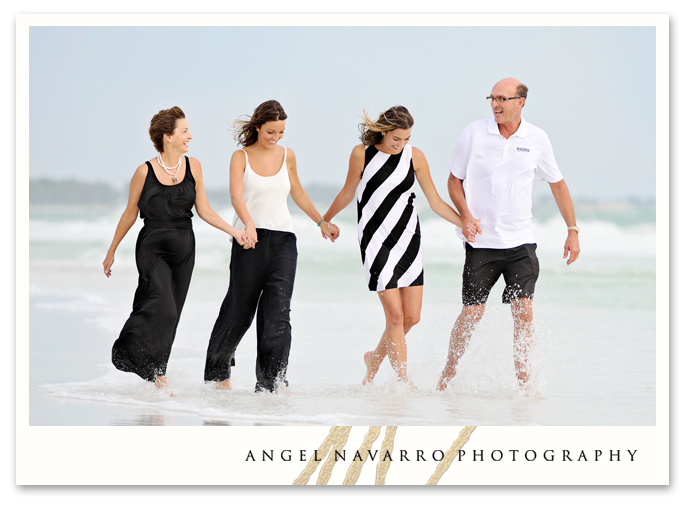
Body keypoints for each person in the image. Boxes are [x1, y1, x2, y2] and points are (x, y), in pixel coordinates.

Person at [436, 78, 581, 392]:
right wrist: (465, 215)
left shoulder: (537, 139)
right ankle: (448, 372)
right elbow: (453, 180)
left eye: (503, 99)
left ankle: (524, 385)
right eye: (492, 98)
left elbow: (558, 184)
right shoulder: (474, 132)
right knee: (472, 313)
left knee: (524, 311)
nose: (496, 105)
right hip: (482, 244)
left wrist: (572, 229)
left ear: (521, 101)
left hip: (521, 244)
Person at [103, 106, 247, 395]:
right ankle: (129, 351)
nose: (190, 136)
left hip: (184, 248)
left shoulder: (194, 167)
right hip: (152, 246)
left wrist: (235, 231)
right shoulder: (144, 171)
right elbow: (130, 213)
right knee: (162, 306)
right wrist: (112, 250)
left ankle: (159, 374)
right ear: (167, 137)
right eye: (184, 131)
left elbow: (204, 210)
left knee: (174, 312)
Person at [322, 105, 465, 385]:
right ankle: (403, 381)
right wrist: (325, 219)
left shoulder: (415, 157)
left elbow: (435, 202)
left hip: (408, 238)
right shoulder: (361, 153)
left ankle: (373, 359)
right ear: (383, 132)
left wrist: (464, 223)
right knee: (396, 317)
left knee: (412, 317)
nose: (401, 144)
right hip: (375, 241)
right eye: (396, 139)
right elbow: (349, 191)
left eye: (406, 139)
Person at [204, 99, 339, 393]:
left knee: (278, 311)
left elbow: (299, 193)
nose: (275, 138)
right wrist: (248, 225)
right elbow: (237, 197)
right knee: (239, 310)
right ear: (257, 127)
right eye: (270, 132)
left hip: (283, 240)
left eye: (280, 132)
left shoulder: (287, 155)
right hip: (248, 240)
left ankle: (272, 382)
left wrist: (322, 222)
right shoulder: (240, 157)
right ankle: (217, 374)